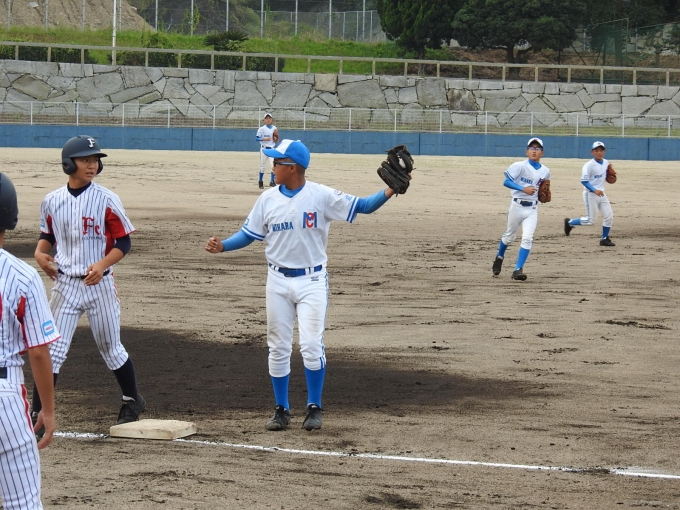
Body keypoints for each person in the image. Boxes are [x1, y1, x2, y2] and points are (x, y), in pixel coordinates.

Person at [205, 139, 409, 431]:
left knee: (312, 345)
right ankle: (281, 409)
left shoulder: (321, 196)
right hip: (277, 281)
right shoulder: (267, 199)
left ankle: (314, 406)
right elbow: (249, 234)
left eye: (277, 162)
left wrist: (390, 190)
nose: (273, 167)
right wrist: (223, 245)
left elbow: (363, 206)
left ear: (292, 168)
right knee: (278, 347)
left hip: (312, 281)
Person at [31, 135, 145, 428]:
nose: (92, 165)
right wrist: (40, 253)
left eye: (95, 160)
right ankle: (38, 413)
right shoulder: (52, 200)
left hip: (100, 286)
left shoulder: (107, 199)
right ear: (69, 164)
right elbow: (47, 236)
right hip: (65, 286)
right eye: (85, 160)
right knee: (52, 351)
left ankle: (132, 399)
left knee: (110, 348)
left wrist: (103, 264)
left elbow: (123, 242)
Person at [0, 172, 59, 510]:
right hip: (5, 399)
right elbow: (38, 350)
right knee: (22, 503)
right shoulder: (21, 275)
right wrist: (47, 410)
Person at [492, 137, 551, 281]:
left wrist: (544, 195)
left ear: (542, 152)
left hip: (532, 209)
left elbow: (544, 190)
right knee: (509, 237)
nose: (534, 151)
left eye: (537, 148)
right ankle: (499, 257)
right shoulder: (519, 166)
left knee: (527, 238)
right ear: (527, 151)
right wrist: (523, 188)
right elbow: (506, 182)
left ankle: (518, 269)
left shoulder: (546, 171)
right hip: (516, 206)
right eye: (531, 148)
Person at [563, 141, 615, 246]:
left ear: (604, 151)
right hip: (590, 194)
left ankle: (604, 239)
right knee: (591, 221)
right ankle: (569, 223)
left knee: (609, 216)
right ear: (592, 152)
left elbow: (607, 176)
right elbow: (584, 181)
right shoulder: (588, 165)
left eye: (601, 150)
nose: (599, 153)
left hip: (601, 194)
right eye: (596, 150)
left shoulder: (606, 163)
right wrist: (594, 190)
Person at [255, 112, 280, 189]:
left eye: (269, 118)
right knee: (263, 166)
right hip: (264, 148)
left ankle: (272, 181)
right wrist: (264, 139)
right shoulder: (261, 129)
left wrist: (276, 139)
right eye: (267, 118)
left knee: (273, 166)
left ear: (272, 120)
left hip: (271, 149)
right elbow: (257, 138)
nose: (268, 120)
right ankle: (260, 181)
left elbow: (277, 139)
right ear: (264, 120)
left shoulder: (274, 128)